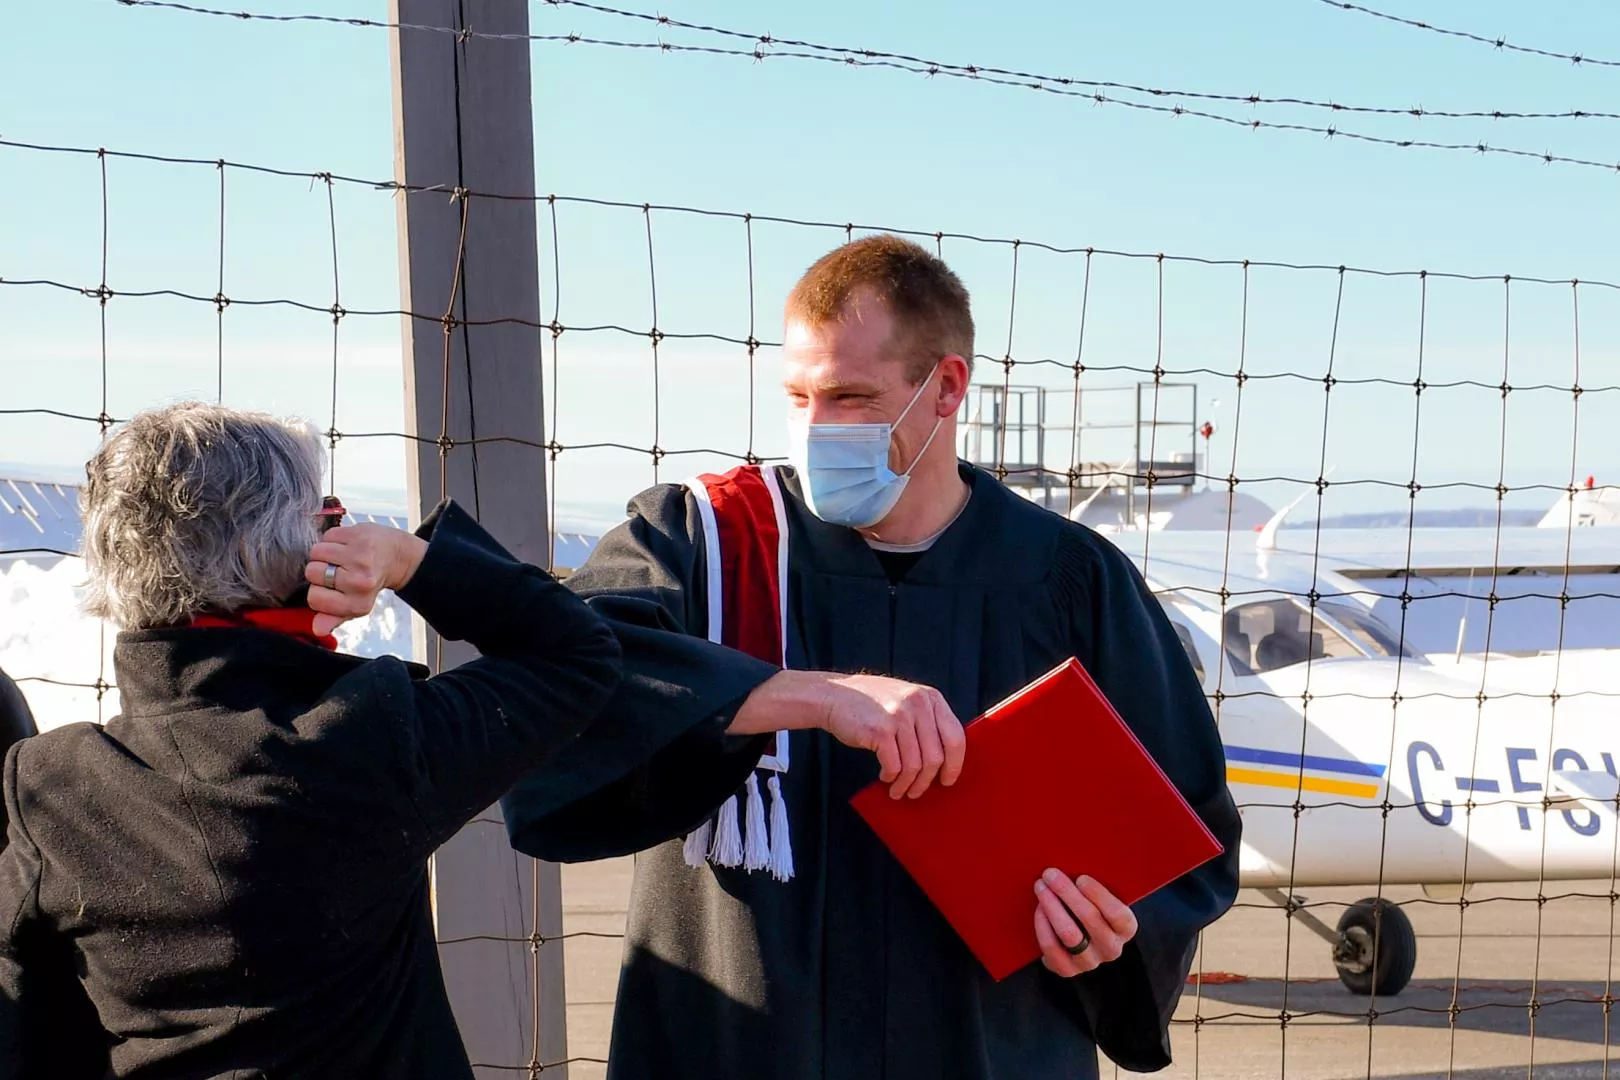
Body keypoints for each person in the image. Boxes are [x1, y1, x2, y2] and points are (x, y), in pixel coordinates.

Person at [503, 234, 1243, 1079]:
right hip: (738, 1050)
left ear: (946, 388)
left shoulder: (1067, 581)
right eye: (798, 395)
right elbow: (560, 681)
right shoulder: (703, 542)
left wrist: (1113, 931)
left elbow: (1182, 825)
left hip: (984, 1049)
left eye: (851, 396)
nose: (817, 428)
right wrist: (802, 695)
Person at [0, 401, 623, 1079]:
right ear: (262, 554)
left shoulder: (47, 786)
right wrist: (413, 561)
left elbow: (26, 1026)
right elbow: (579, 655)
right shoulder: (368, 738)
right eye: (323, 519)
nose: (337, 530)